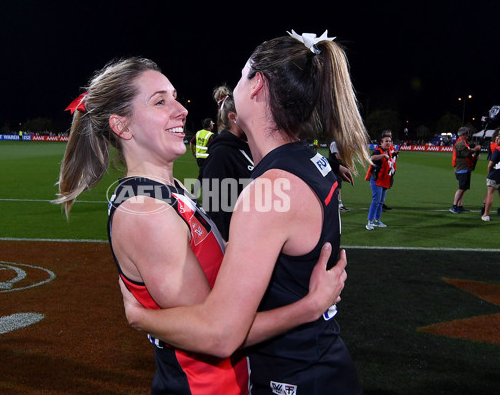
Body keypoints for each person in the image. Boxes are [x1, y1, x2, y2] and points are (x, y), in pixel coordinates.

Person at [54, 57, 348, 394]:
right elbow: (218, 334)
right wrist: (309, 306)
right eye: (160, 101)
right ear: (122, 126)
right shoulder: (143, 212)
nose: (181, 109)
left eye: (175, 96)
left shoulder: (172, 191)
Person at [119, 31, 370, 394]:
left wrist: (142, 317)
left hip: (294, 377)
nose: (234, 84)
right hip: (322, 364)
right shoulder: (309, 161)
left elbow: (222, 335)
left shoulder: (269, 189)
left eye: (241, 76)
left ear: (257, 86)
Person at [200, 85, 254, 240]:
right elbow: (216, 212)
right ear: (233, 118)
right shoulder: (221, 155)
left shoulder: (248, 148)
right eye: (249, 114)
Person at [365, 133, 394, 230]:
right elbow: (372, 158)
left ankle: (377, 220)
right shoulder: (378, 151)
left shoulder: (388, 152)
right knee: (376, 201)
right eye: (386, 141)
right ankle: (369, 222)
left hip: (385, 180)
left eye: (389, 141)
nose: (388, 143)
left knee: (381, 202)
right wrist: (383, 156)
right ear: (381, 143)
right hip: (377, 180)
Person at [450, 127, 481, 214]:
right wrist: (475, 150)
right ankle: (454, 206)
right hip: (461, 168)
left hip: (465, 167)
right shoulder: (460, 143)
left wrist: (474, 155)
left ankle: (459, 205)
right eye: (467, 134)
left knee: (464, 188)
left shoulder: (463, 142)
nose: (468, 136)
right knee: (461, 188)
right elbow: (466, 153)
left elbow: (467, 153)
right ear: (463, 135)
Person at [481, 133, 500, 221]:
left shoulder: (498, 150)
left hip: (495, 174)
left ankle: (486, 215)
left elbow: (490, 165)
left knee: (490, 194)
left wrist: (489, 173)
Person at [329, 140, 351, 212]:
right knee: (336, 186)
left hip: (338, 167)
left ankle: (339, 204)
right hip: (334, 168)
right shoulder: (334, 143)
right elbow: (338, 156)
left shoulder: (340, 143)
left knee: (338, 186)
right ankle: (337, 205)